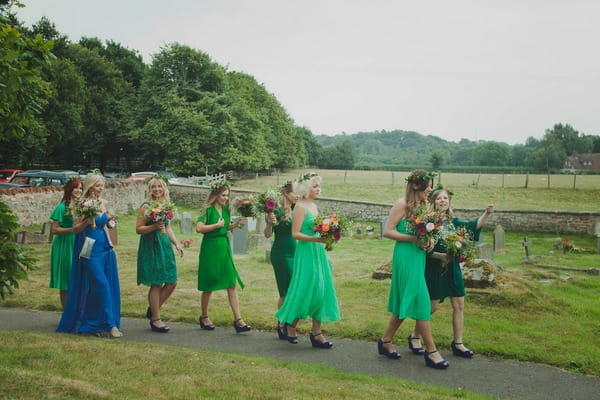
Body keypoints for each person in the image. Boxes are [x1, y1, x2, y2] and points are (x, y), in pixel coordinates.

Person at [410, 187, 494, 358]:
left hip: (452, 268)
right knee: (431, 307)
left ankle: (458, 343)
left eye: (445, 198)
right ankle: (415, 336)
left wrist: (486, 213)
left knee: (459, 305)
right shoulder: (427, 222)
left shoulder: (453, 222)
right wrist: (440, 256)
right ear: (433, 202)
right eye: (439, 198)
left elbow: (472, 227)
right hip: (433, 269)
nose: (443, 201)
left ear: (449, 202)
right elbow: (421, 248)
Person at [378, 170, 449, 369]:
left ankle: (385, 341)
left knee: (405, 301)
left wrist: (430, 240)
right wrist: (414, 239)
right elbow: (388, 231)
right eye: (428, 186)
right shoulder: (402, 204)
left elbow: (425, 232)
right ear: (417, 186)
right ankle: (431, 351)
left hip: (418, 257)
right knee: (421, 301)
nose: (430, 190)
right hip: (405, 257)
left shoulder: (422, 206)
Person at [275, 173, 340, 349]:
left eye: (319, 186)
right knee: (306, 288)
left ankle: (316, 332)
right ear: (305, 188)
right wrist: (317, 239)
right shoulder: (300, 207)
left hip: (318, 252)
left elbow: (318, 230)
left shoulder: (313, 206)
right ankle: (290, 324)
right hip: (306, 252)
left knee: (322, 289)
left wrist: (327, 237)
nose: (318, 189)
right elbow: (295, 234)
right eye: (315, 186)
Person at [56, 172, 122, 338]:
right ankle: (110, 324)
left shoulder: (103, 203)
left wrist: (110, 231)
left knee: (102, 285)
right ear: (90, 186)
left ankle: (97, 323)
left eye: (102, 186)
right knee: (101, 284)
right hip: (87, 247)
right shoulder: (80, 204)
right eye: (98, 185)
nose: (101, 189)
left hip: (103, 247)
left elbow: (106, 226)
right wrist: (88, 219)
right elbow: (76, 229)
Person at [195, 181, 250, 333]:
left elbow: (225, 227)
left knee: (231, 283)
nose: (226, 198)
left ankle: (238, 320)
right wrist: (215, 226)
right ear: (215, 195)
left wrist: (238, 224)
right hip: (210, 249)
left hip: (224, 248)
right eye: (223, 195)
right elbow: (199, 228)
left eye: (227, 195)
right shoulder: (207, 210)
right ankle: (204, 317)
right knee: (209, 285)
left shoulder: (226, 209)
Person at [136, 177, 183, 333]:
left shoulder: (166, 206)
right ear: (149, 189)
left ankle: (153, 309)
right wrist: (154, 226)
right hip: (151, 246)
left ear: (164, 189)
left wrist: (176, 244)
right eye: (154, 187)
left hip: (164, 246)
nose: (157, 189)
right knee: (156, 282)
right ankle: (156, 319)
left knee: (172, 281)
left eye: (159, 187)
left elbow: (168, 228)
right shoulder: (145, 207)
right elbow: (138, 229)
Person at [263, 181, 297, 339]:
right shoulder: (275, 210)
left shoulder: (296, 209)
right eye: (295, 192)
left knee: (294, 289)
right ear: (286, 194)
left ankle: (287, 322)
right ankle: (281, 323)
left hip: (295, 253)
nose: (297, 195)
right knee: (285, 290)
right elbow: (267, 234)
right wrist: (269, 222)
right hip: (281, 254)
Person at [49, 176, 83, 308]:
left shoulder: (82, 206)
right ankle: (66, 312)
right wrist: (72, 229)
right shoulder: (62, 207)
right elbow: (55, 230)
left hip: (78, 242)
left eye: (80, 188)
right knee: (66, 280)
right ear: (69, 189)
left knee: (78, 278)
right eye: (76, 187)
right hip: (65, 244)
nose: (78, 190)